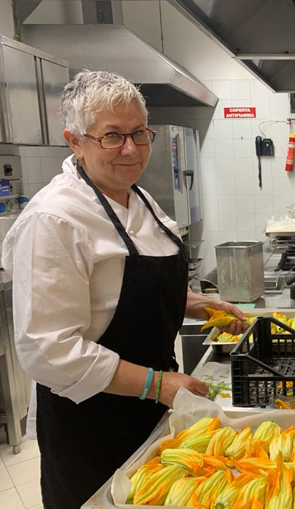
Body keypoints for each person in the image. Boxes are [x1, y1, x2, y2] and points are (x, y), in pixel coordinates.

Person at [2, 70, 248, 508]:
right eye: (112, 136)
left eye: (138, 133)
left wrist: (198, 304)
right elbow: (48, 349)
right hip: (93, 420)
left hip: (152, 404)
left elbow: (123, 293)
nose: (131, 149)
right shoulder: (55, 220)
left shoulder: (139, 199)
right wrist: (157, 385)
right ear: (75, 140)